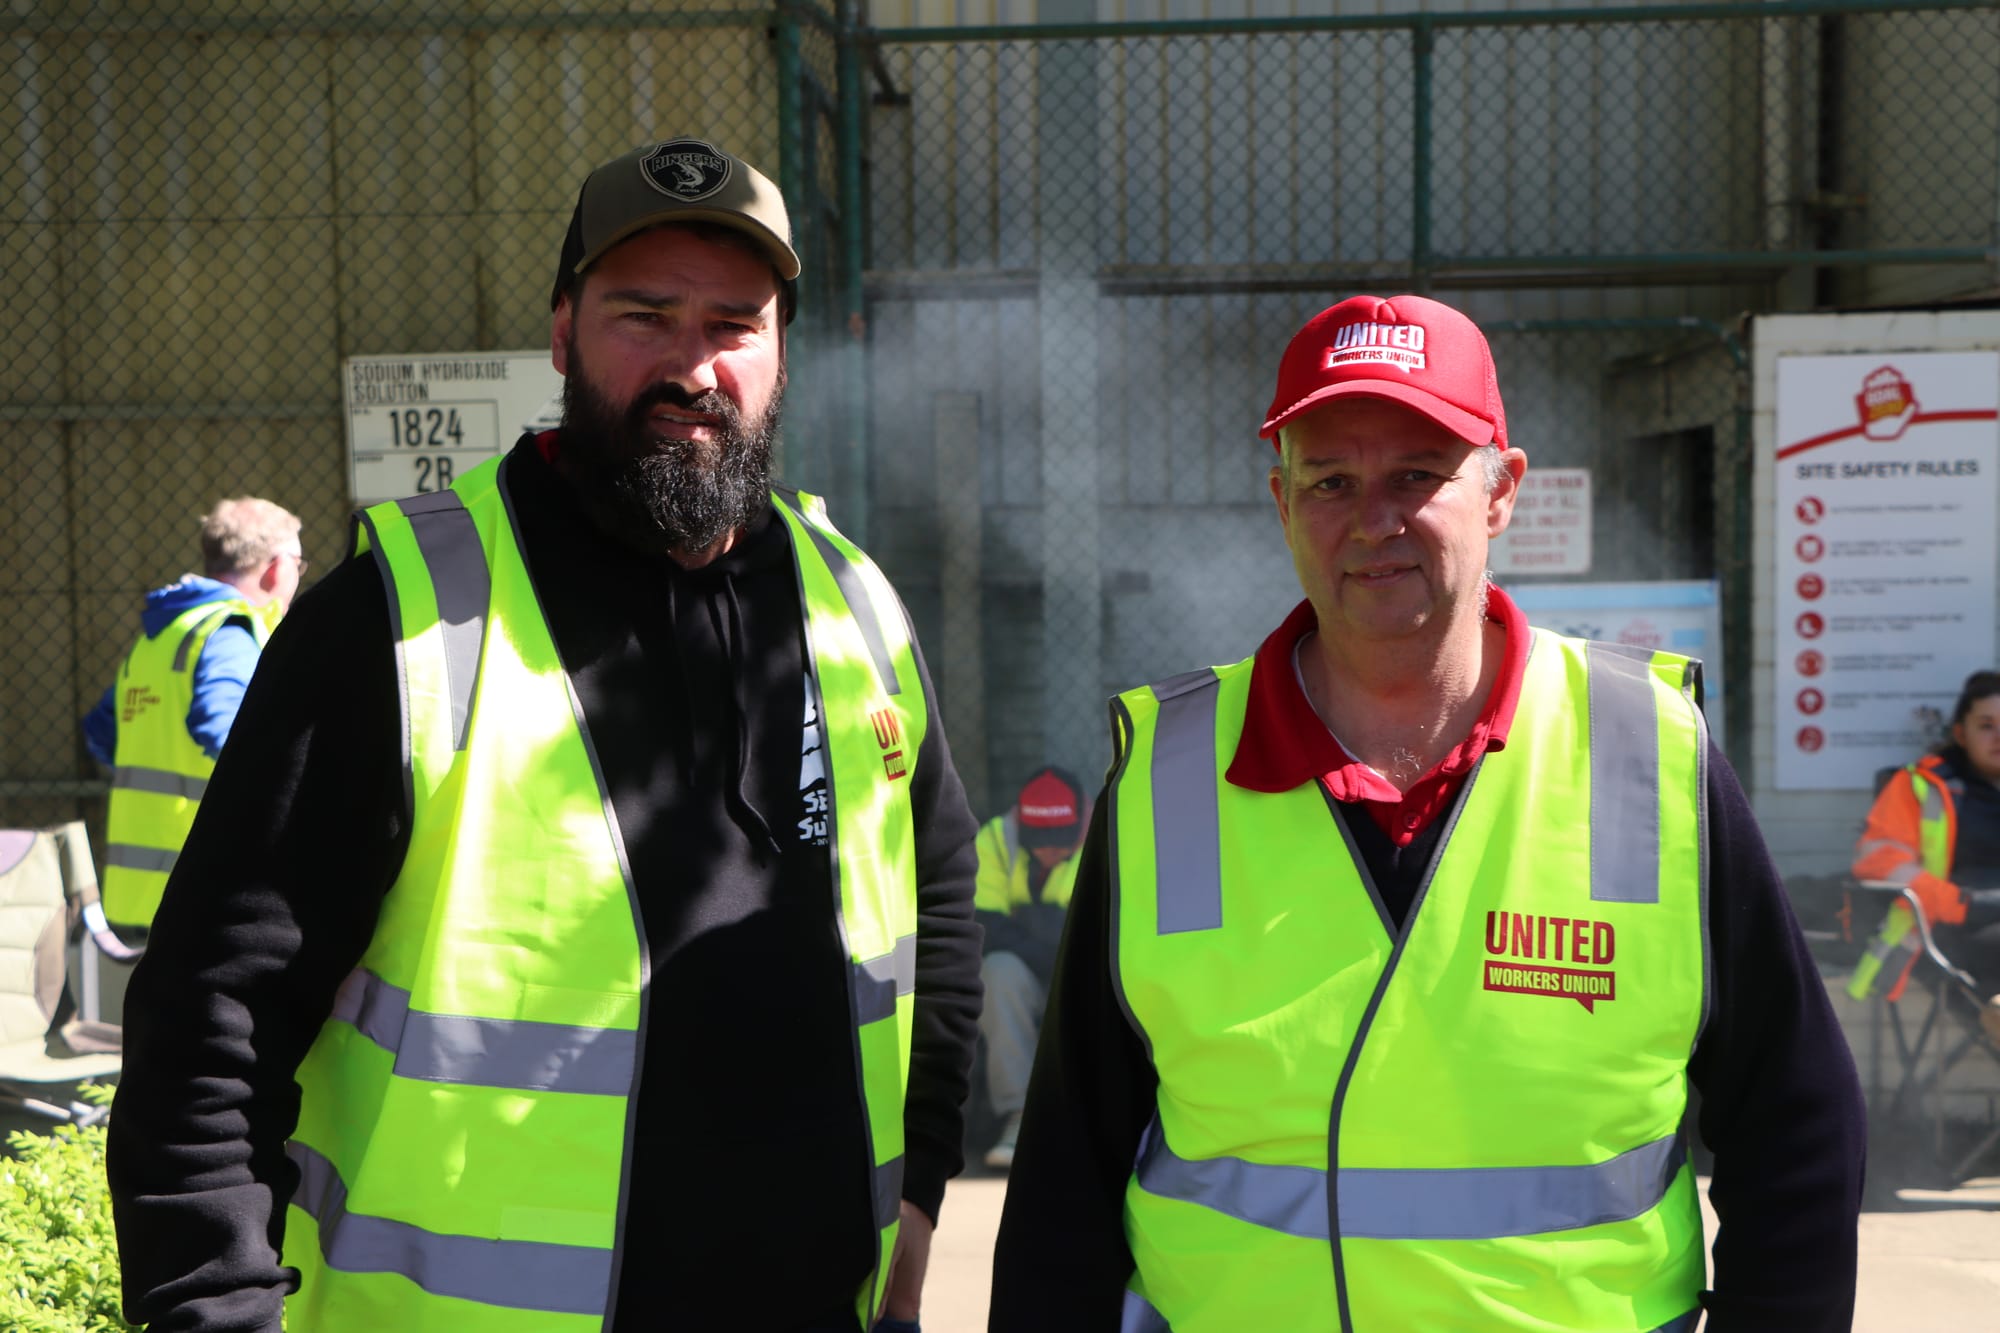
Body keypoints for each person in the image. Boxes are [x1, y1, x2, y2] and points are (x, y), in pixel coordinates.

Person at [107, 138, 983, 1333]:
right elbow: (208, 1030)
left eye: (735, 322)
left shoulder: (853, 602)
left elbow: (934, 913)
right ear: (562, 331)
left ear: (782, 350)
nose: (694, 365)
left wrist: (920, 1204)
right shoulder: (397, 621)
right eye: (645, 315)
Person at [990, 294, 1866, 1331]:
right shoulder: (1167, 775)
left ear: (1501, 493)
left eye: (1417, 474)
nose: (1373, 519)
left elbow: (1796, 1124)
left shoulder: (1647, 751)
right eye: (1329, 481)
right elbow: (1067, 1175)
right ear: (1279, 500)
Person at [83, 496, 305, 935]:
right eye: (300, 564)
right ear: (277, 567)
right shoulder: (232, 632)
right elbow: (229, 733)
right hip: (202, 891)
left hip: (139, 893)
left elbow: (103, 732)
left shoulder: (162, 636)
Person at [1851, 669, 2000, 1043]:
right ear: (1960, 733)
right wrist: (1961, 903)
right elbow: (1880, 861)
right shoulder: (1921, 784)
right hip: (1948, 928)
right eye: (1986, 725)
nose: (1998, 735)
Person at [972, 765, 1086, 1170]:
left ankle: (1087, 1119)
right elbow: (987, 930)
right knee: (997, 971)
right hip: (1031, 971)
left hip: (1082, 973)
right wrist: (1051, 948)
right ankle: (1019, 1118)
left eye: (1059, 841)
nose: (1049, 851)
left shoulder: (1111, 833)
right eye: (1040, 841)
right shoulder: (995, 840)